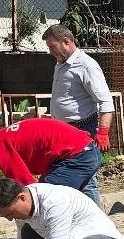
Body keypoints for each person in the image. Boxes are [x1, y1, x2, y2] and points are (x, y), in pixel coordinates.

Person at [44, 23, 113, 207]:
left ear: (66, 42)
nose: (51, 51)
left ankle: (97, 225)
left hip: (81, 128)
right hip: (63, 130)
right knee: (72, 174)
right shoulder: (61, 64)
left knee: (86, 177)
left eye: (52, 46)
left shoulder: (86, 65)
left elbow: (105, 101)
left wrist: (103, 131)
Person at [0, 117, 101, 196]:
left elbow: (26, 185)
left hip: (77, 156)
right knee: (69, 196)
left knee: (46, 198)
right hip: (83, 150)